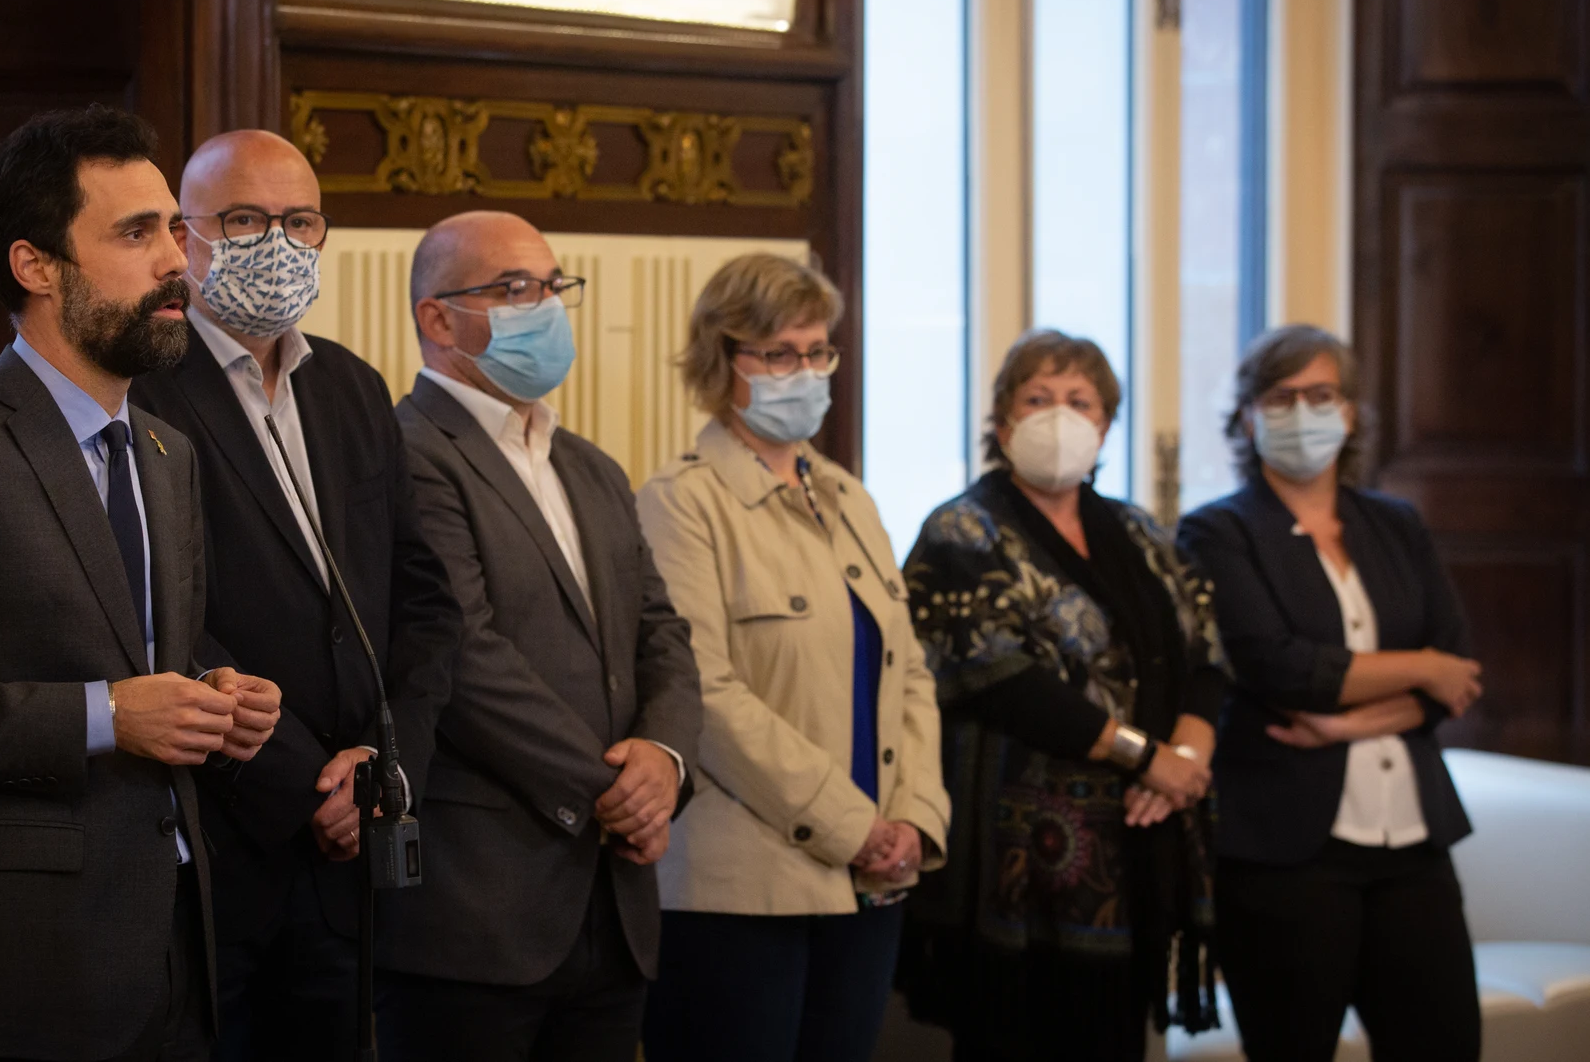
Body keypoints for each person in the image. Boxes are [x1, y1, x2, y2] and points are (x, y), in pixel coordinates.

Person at [0, 105, 283, 1062]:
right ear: (36, 267)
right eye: (135, 232)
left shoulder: (168, 452)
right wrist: (108, 715)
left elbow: (141, 653)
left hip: (173, 954)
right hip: (17, 972)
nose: (176, 262)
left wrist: (216, 702)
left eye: (173, 229)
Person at [126, 130, 462, 1061]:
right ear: (184, 238)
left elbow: (427, 603)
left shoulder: (352, 385)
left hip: (354, 853)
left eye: (299, 220)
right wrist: (302, 780)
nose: (277, 242)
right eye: (243, 219)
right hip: (223, 842)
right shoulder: (141, 389)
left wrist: (382, 770)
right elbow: (156, 616)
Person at [379, 210, 704, 1062]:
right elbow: (463, 651)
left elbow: (660, 631)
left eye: (553, 286)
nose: (544, 307)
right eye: (514, 288)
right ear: (437, 317)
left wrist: (663, 759)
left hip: (615, 902)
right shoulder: (407, 452)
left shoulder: (589, 465)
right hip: (479, 907)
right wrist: (610, 785)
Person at [633, 254, 951, 1062]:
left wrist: (915, 816)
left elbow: (908, 671)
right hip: (740, 889)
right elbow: (704, 693)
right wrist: (852, 826)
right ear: (723, 359)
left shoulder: (851, 497)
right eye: (779, 354)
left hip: (869, 881)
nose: (804, 371)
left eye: (818, 351)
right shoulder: (682, 500)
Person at [895, 329, 1226, 1062]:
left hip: (1142, 844)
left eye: (1080, 400)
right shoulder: (962, 527)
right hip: (1018, 873)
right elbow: (1003, 677)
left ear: (1106, 421)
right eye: (1038, 398)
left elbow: (1206, 648)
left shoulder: (1140, 531)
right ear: (1004, 422)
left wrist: (1185, 761)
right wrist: (1146, 757)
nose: (1059, 414)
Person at [1176, 324, 1483, 1062]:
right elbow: (1280, 668)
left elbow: (1459, 674)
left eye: (1321, 394)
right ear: (1248, 417)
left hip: (1413, 841)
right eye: (1281, 397)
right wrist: (1420, 667)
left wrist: (1345, 726)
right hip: (1287, 853)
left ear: (1349, 412)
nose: (1303, 411)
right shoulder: (1216, 531)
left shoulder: (1395, 523)